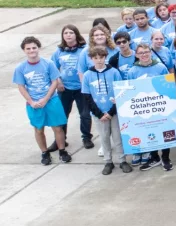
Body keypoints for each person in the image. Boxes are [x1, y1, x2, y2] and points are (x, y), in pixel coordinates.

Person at [16, 37, 69, 165]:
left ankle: (62, 151)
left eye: (34, 47)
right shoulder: (21, 68)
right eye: (28, 48)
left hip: (51, 100)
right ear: (24, 50)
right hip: (34, 103)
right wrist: (31, 101)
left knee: (57, 127)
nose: (31, 50)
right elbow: (21, 86)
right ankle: (45, 153)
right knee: (39, 129)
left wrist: (46, 99)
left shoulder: (48, 63)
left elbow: (54, 81)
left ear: (38, 48)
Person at [126, 43, 174, 171]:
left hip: (160, 106)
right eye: (141, 53)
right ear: (136, 55)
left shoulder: (160, 67)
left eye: (146, 52)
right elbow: (129, 90)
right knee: (149, 132)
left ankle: (165, 157)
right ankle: (154, 157)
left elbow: (167, 84)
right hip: (144, 108)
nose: (144, 55)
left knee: (164, 132)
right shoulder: (132, 71)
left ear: (150, 53)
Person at [81, 46, 126, 174]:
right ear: (91, 59)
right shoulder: (87, 75)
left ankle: (122, 160)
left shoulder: (114, 72)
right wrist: (99, 114)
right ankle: (108, 161)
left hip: (114, 113)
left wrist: (111, 112)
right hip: (98, 114)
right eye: (95, 58)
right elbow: (87, 96)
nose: (99, 60)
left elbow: (120, 93)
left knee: (118, 137)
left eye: (101, 57)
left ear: (105, 57)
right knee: (104, 138)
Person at [53, 25, 93, 150]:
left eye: (71, 32)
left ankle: (86, 137)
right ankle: (60, 139)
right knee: (62, 115)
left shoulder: (85, 50)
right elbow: (53, 68)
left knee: (85, 114)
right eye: (65, 33)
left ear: (76, 34)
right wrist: (58, 80)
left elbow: (90, 66)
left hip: (81, 88)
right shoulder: (59, 51)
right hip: (65, 88)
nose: (68, 35)